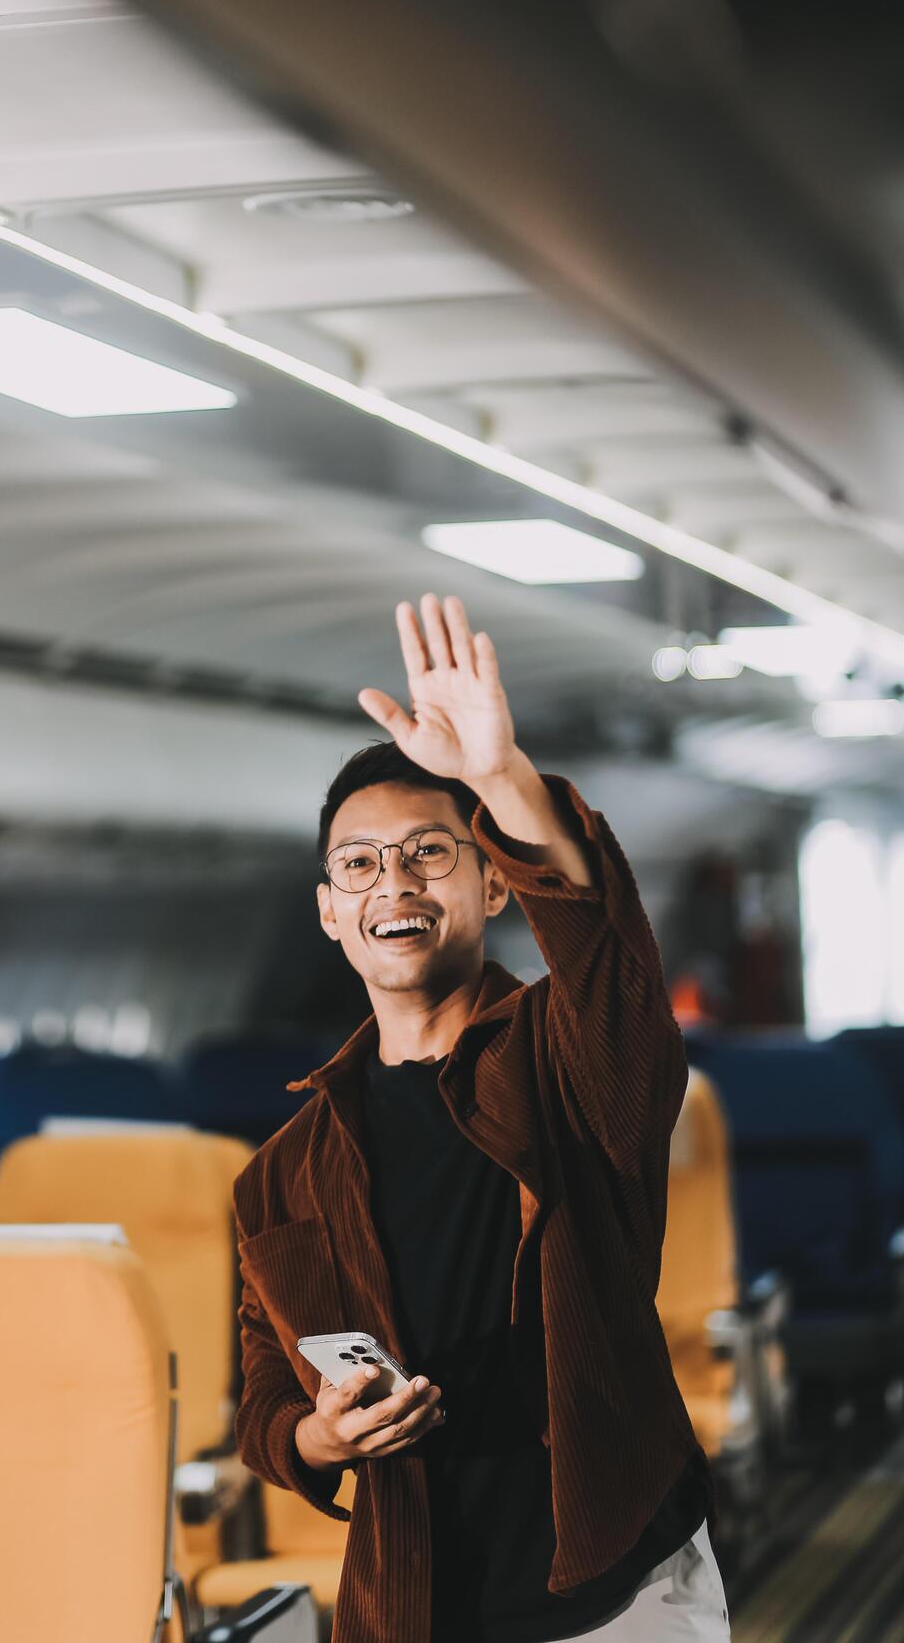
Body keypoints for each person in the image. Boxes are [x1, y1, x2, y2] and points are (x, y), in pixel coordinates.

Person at [233, 595, 729, 1643]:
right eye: (359, 864)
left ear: (491, 884)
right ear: (328, 910)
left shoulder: (569, 1057)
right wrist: (316, 1438)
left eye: (428, 852)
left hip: (612, 1587)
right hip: (410, 1599)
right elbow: (264, 1400)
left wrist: (499, 778)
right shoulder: (278, 1174)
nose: (392, 884)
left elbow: (605, 955)